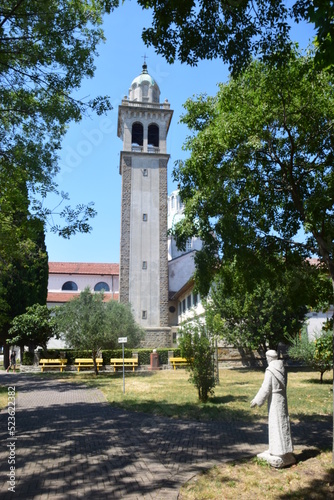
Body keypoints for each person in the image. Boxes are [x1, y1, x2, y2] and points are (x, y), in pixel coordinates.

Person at [251, 350, 294, 466]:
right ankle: (286, 451)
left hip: (274, 400)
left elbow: (266, 388)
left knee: (276, 424)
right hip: (282, 398)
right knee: (283, 422)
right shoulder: (283, 368)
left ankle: (277, 451)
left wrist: (256, 400)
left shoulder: (270, 370)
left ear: (269, 358)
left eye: (267, 357)